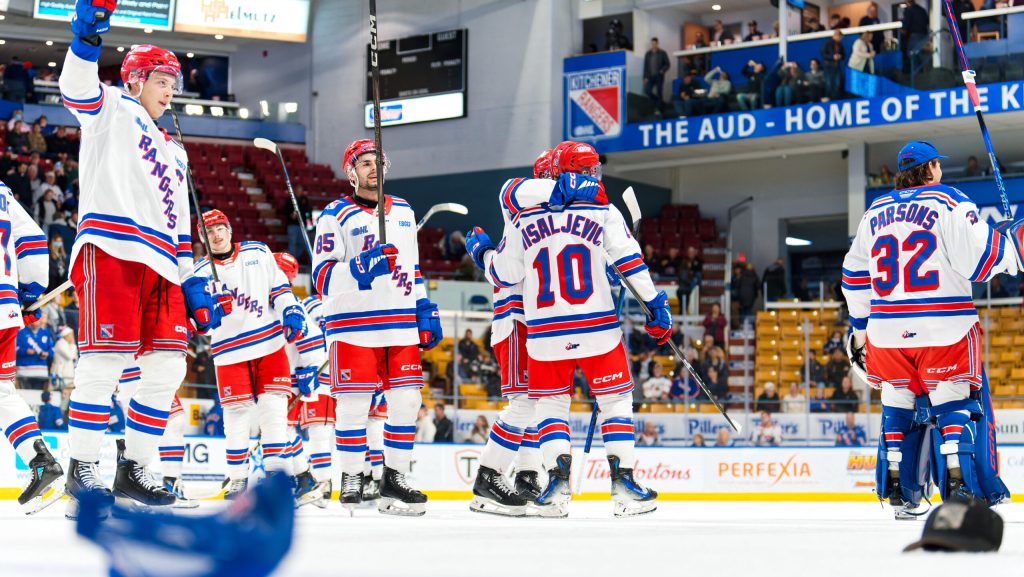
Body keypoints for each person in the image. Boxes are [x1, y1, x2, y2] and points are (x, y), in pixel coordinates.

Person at [59, 1, 229, 518]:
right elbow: (76, 88)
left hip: (161, 265)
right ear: (135, 78)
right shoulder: (110, 107)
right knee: (105, 363)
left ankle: (136, 467)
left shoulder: (175, 150)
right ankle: (83, 468)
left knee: (166, 368)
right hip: (110, 248)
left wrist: (191, 280)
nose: (169, 89)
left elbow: (179, 225)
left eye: (174, 82)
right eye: (161, 78)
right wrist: (86, 38)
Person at [467, 140, 666, 518]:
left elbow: (505, 272)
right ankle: (624, 487)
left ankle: (555, 488)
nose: (596, 177)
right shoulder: (602, 209)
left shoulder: (522, 216)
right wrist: (654, 305)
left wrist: (483, 254)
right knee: (615, 402)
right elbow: (631, 261)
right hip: (596, 325)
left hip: (542, 331)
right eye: (590, 170)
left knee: (549, 406)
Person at [843, 140, 1018, 517]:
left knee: (898, 409)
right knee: (954, 406)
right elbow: (980, 263)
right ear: (931, 168)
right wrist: (1010, 248)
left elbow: (853, 276)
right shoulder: (949, 201)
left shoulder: (874, 211)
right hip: (945, 326)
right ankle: (959, 489)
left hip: (887, 332)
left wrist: (861, 329)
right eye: (938, 165)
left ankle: (899, 490)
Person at [312, 138, 443, 516]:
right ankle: (353, 475)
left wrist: (423, 304)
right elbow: (321, 276)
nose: (373, 168)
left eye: (377, 161)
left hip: (399, 322)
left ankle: (395, 477)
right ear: (350, 171)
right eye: (364, 162)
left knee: (407, 402)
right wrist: (357, 267)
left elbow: (414, 268)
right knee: (353, 405)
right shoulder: (334, 215)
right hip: (352, 326)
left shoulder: (403, 210)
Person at [470, 149, 596, 516]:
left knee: (539, 403)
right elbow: (511, 191)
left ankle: (526, 474)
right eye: (579, 174)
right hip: (517, 320)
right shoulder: (524, 204)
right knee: (525, 402)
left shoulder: (569, 217)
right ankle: (488, 475)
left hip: (544, 324)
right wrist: (487, 256)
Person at [194, 211, 306, 501]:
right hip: (228, 353)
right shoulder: (198, 273)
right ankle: (237, 479)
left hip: (270, 344)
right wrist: (212, 314)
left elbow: (280, 288)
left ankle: (276, 479)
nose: (217, 235)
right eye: (210, 232)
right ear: (202, 239)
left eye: (221, 228)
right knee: (235, 417)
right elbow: (199, 325)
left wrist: (290, 310)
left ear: (230, 230)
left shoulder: (258, 252)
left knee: (274, 413)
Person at [272, 251, 328, 507]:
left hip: (286, 378)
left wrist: (309, 368)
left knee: (280, 431)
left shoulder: (291, 303)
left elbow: (315, 340)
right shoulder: (268, 301)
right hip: (274, 376)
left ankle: (304, 480)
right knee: (281, 431)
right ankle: (303, 480)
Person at [16, 315, 55, 390]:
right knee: (26, 397)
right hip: (24, 372)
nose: (38, 323)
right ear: (30, 321)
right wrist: (25, 351)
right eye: (36, 320)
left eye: (39, 320)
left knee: (38, 397)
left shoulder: (45, 332)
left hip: (41, 372)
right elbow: (14, 349)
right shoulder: (21, 333)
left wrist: (47, 354)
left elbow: (52, 350)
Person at [281, 185, 313, 265]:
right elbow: (285, 210)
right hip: (292, 225)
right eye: (298, 190)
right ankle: (291, 262)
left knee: (302, 244)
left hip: (302, 225)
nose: (300, 192)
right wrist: (291, 215)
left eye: (301, 190)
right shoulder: (290, 199)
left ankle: (295, 259)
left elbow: (308, 209)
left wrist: (309, 219)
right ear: (295, 190)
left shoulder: (304, 199)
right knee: (292, 243)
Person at [643, 38, 670, 117]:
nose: (653, 45)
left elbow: (668, 64)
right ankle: (660, 102)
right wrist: (645, 77)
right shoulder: (648, 54)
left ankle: (659, 110)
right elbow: (645, 67)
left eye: (655, 43)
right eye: (652, 44)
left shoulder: (662, 53)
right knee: (647, 91)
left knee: (659, 92)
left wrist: (662, 70)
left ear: (657, 44)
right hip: (650, 76)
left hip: (659, 76)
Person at [901, 0, 930, 75]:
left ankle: (916, 79)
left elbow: (905, 27)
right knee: (923, 57)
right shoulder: (922, 10)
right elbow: (927, 22)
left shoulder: (908, 10)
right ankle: (926, 76)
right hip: (924, 36)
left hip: (914, 36)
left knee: (912, 56)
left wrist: (902, 34)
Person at [821, 30, 845, 100]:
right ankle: (829, 98)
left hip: (836, 66)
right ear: (835, 35)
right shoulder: (828, 44)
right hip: (828, 66)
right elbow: (823, 54)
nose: (840, 39)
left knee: (837, 83)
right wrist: (832, 57)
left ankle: (835, 98)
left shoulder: (840, 45)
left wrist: (840, 56)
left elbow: (843, 55)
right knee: (829, 82)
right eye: (839, 37)